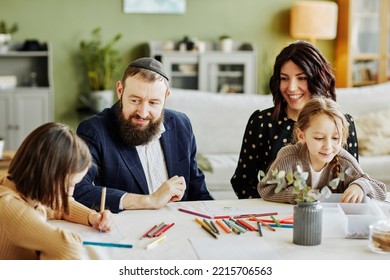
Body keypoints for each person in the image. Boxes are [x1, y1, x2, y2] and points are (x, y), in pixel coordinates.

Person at [74, 57, 213, 213]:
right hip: (126, 231)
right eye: (135, 100)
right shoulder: (94, 130)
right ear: (120, 91)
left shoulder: (181, 124)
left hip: (179, 228)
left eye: (153, 103)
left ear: (166, 97)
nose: (143, 112)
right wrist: (149, 200)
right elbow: (78, 191)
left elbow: (199, 193)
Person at [231, 40, 359, 199]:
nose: (291, 87)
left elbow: (351, 179)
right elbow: (243, 183)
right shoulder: (261, 122)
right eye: (284, 78)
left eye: (301, 78)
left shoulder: (343, 124)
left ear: (317, 79)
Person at [0, 122, 113, 260]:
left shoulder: (27, 193)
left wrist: (92, 217)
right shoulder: (8, 206)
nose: (71, 193)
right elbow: (67, 247)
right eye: (69, 184)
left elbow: (57, 206)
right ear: (46, 176)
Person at [258, 97, 387, 204]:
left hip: (333, 222)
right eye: (319, 138)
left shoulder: (344, 161)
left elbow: (380, 190)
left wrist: (360, 186)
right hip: (295, 218)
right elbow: (266, 188)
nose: (328, 146)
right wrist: (298, 195)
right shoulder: (289, 157)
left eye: (336, 138)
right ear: (301, 136)